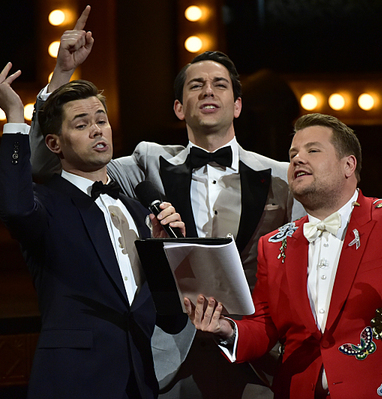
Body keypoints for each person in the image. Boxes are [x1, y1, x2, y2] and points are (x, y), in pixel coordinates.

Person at [28, 6, 306, 399]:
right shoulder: (146, 162)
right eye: (196, 85)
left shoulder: (280, 174)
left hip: (253, 357)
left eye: (219, 84)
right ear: (179, 108)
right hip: (169, 359)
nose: (208, 91)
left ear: (238, 105)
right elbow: (46, 165)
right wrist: (61, 74)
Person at [185, 113, 382, 398]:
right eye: (292, 155)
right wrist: (226, 328)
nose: (298, 159)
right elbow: (265, 326)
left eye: (313, 150)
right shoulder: (273, 245)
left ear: (348, 165)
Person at [0, 60, 186, 399]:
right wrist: (15, 117)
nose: (96, 130)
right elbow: (15, 209)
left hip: (139, 384)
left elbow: (171, 320)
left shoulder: (137, 211)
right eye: (81, 124)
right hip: (73, 383)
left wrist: (164, 257)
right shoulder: (45, 204)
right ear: (54, 144)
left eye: (101, 121)